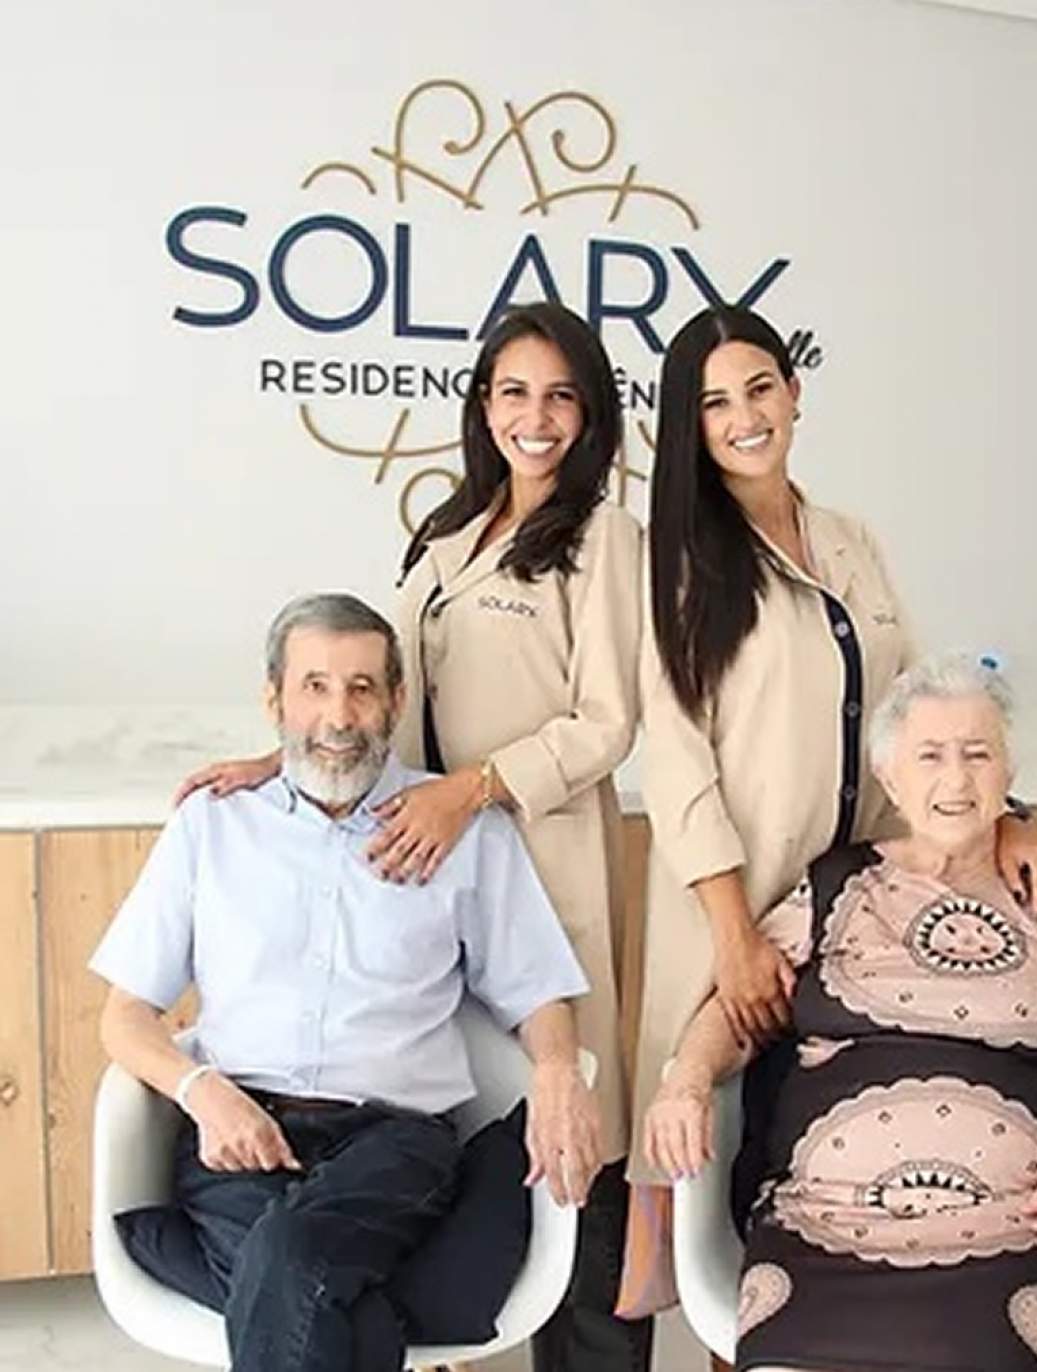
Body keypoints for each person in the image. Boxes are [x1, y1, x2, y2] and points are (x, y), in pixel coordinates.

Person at [175, 304, 648, 1372]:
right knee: (459, 1151)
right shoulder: (448, 530)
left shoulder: (605, 539)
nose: (536, 417)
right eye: (513, 392)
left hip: (536, 853)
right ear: (482, 405)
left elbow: (608, 722)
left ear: (590, 413)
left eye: (561, 395)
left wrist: (470, 792)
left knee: (571, 1141)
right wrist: (283, 759)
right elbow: (377, 691)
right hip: (423, 865)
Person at [629, 306, 1037, 1177]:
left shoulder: (852, 540)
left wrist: (1008, 820)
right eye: (715, 403)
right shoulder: (677, 562)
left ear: (794, 394)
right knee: (687, 1147)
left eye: (760, 389)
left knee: (835, 1127)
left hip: (856, 902)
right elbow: (677, 762)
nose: (745, 417)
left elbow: (920, 708)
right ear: (690, 424)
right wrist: (734, 935)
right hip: (735, 899)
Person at [92, 593, 601, 1372]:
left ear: (395, 700)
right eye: (315, 687)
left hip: (395, 1144)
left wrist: (560, 1069)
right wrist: (202, 1092)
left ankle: (219, 1259)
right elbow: (124, 1016)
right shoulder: (211, 826)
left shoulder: (467, 833)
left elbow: (537, 989)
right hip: (240, 1132)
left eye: (362, 688)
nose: (339, 715)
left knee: (282, 1260)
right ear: (275, 701)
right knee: (324, 1292)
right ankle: (407, 1293)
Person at [644, 654, 1037, 1372]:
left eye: (978, 754)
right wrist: (686, 1080)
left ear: (1009, 773)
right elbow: (736, 1013)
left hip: (1015, 1222)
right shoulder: (834, 886)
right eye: (930, 756)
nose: (957, 779)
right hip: (826, 1219)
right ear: (890, 779)